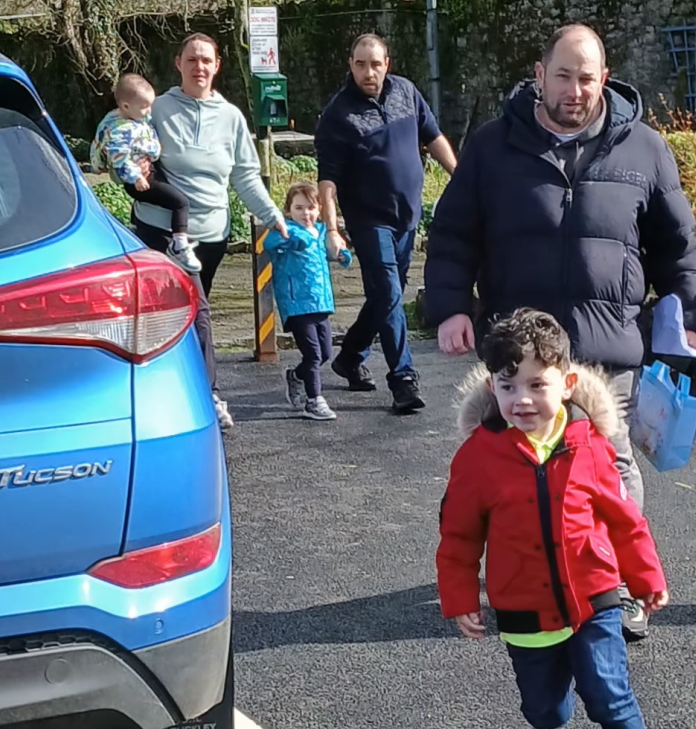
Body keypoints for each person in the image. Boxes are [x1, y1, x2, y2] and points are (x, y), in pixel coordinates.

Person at [424, 23, 696, 637]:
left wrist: (687, 314)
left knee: (610, 465)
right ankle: (529, 580)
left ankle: (620, 587)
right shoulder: (493, 146)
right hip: (521, 351)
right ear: (539, 75)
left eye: (586, 78)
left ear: (605, 79)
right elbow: (452, 234)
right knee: (515, 465)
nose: (574, 91)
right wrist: (450, 306)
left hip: (608, 345)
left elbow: (675, 245)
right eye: (562, 76)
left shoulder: (645, 149)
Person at [437, 308, 667, 729]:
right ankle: (559, 683)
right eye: (507, 385)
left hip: (593, 596)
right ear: (492, 387)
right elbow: (459, 536)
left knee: (608, 694)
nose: (522, 399)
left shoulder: (589, 445)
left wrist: (645, 577)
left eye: (536, 385)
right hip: (525, 609)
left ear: (566, 383)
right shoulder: (478, 458)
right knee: (545, 713)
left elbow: (624, 519)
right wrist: (460, 597)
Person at [130, 32, 289, 432]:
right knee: (197, 311)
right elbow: (123, 141)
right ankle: (209, 396)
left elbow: (245, 176)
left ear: (217, 66)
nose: (199, 66)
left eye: (206, 60)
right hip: (163, 231)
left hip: (212, 236)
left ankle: (174, 387)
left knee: (184, 316)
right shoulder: (157, 108)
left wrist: (272, 215)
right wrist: (130, 169)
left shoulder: (231, 117)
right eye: (192, 59)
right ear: (178, 64)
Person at [315, 33, 457, 416]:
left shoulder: (406, 92)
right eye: (360, 64)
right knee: (390, 292)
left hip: (407, 216)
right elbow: (327, 180)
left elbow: (433, 136)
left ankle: (350, 356)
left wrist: (460, 178)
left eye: (375, 64)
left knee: (385, 296)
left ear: (387, 64)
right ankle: (403, 379)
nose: (368, 72)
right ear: (350, 65)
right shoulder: (338, 115)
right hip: (368, 220)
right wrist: (331, 228)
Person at [92, 72, 201, 275]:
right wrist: (136, 177)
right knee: (180, 202)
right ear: (125, 106)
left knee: (175, 191)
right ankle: (179, 245)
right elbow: (119, 158)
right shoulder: (119, 130)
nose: (149, 111)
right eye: (144, 107)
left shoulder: (132, 118)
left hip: (146, 173)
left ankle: (153, 231)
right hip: (139, 180)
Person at [265, 180, 352, 423]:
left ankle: (296, 376)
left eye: (311, 208)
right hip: (296, 304)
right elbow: (269, 243)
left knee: (324, 353)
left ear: (319, 209)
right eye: (299, 208)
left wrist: (342, 255)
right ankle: (314, 400)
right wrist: (290, 239)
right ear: (288, 210)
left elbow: (335, 250)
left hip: (320, 302)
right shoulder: (286, 231)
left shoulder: (322, 232)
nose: (306, 213)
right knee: (313, 354)